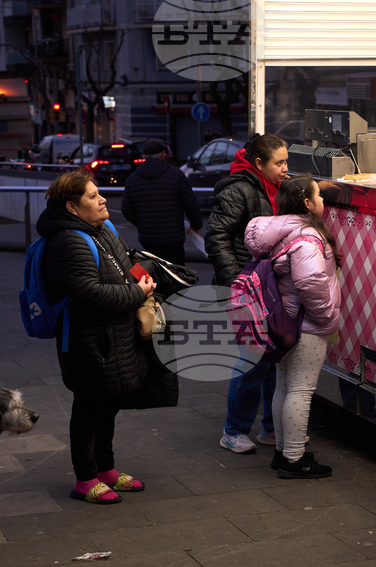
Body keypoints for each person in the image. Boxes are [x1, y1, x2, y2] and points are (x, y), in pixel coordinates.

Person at [36, 169, 155, 504]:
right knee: (90, 408)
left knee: (109, 404)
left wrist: (144, 277)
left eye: (99, 193)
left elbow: (124, 263)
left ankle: (106, 470)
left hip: (114, 335)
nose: (103, 199)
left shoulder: (102, 229)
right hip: (87, 340)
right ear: (73, 207)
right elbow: (91, 295)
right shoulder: (67, 240)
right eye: (93, 196)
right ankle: (85, 478)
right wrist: (138, 293)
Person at [244, 177, 341, 478]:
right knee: (300, 389)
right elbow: (310, 282)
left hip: (283, 321)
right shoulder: (308, 238)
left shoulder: (281, 232)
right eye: (319, 197)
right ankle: (294, 460)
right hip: (304, 323)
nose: (324, 201)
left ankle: (283, 451)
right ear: (307, 204)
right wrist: (325, 318)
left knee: (284, 385)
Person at [206, 133, 289, 454]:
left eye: (286, 162)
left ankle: (270, 427)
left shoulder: (275, 187)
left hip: (270, 286)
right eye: (279, 163)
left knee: (272, 360)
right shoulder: (239, 190)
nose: (285, 169)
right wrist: (235, 281)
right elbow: (217, 238)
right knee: (252, 362)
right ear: (258, 164)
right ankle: (234, 430)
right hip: (246, 287)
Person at [121, 139, 202, 266]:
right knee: (176, 274)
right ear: (163, 154)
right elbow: (190, 203)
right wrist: (196, 225)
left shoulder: (133, 179)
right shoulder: (176, 176)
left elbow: (126, 208)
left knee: (154, 272)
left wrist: (142, 223)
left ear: (144, 157)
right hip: (173, 237)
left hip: (148, 238)